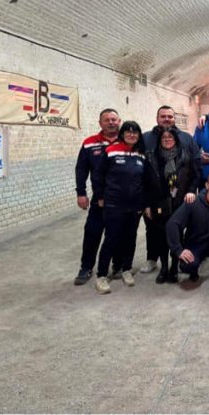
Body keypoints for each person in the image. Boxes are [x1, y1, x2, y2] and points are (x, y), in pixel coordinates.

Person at [141, 105, 201, 274]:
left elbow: (196, 166)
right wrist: (146, 201)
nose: (166, 119)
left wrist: (192, 190)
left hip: (180, 195)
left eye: (170, 116)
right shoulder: (146, 138)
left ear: (174, 119)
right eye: (163, 116)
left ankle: (179, 258)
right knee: (153, 229)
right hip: (156, 197)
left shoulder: (186, 138)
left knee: (178, 227)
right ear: (157, 118)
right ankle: (152, 259)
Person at [94, 121, 148, 294]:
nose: (132, 135)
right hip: (114, 204)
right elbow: (98, 176)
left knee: (130, 238)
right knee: (111, 239)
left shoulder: (141, 155)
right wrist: (100, 197)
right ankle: (102, 275)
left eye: (135, 132)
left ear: (139, 135)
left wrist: (144, 203)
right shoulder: (111, 151)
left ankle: (126, 269)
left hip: (135, 206)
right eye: (128, 132)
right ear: (122, 134)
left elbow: (144, 181)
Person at [73, 108, 121, 285]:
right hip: (99, 199)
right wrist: (81, 193)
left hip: (121, 200)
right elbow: (81, 169)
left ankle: (117, 265)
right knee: (92, 233)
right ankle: (86, 267)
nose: (111, 123)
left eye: (114, 120)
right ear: (100, 123)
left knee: (117, 234)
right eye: (107, 120)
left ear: (119, 122)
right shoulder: (89, 143)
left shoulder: (127, 142)